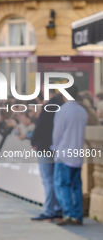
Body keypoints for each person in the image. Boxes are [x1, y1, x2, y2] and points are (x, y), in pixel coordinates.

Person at [51, 85, 88, 226]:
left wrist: (55, 148)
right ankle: (77, 215)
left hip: (64, 153)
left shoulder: (62, 111)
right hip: (77, 153)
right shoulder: (82, 111)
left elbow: (57, 133)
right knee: (76, 186)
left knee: (62, 185)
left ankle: (69, 213)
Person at [30, 89, 63, 222]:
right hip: (56, 146)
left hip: (45, 146)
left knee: (48, 179)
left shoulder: (48, 106)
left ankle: (49, 210)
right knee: (54, 179)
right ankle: (56, 209)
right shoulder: (60, 105)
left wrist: (33, 141)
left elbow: (40, 126)